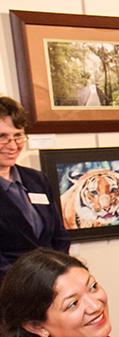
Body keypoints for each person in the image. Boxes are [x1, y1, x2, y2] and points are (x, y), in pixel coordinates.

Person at [0, 97, 70, 287]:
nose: (12, 145)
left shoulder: (37, 179)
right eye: (2, 137)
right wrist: (30, 285)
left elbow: (60, 236)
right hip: (9, 294)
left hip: (51, 290)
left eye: (17, 136)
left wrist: (58, 276)